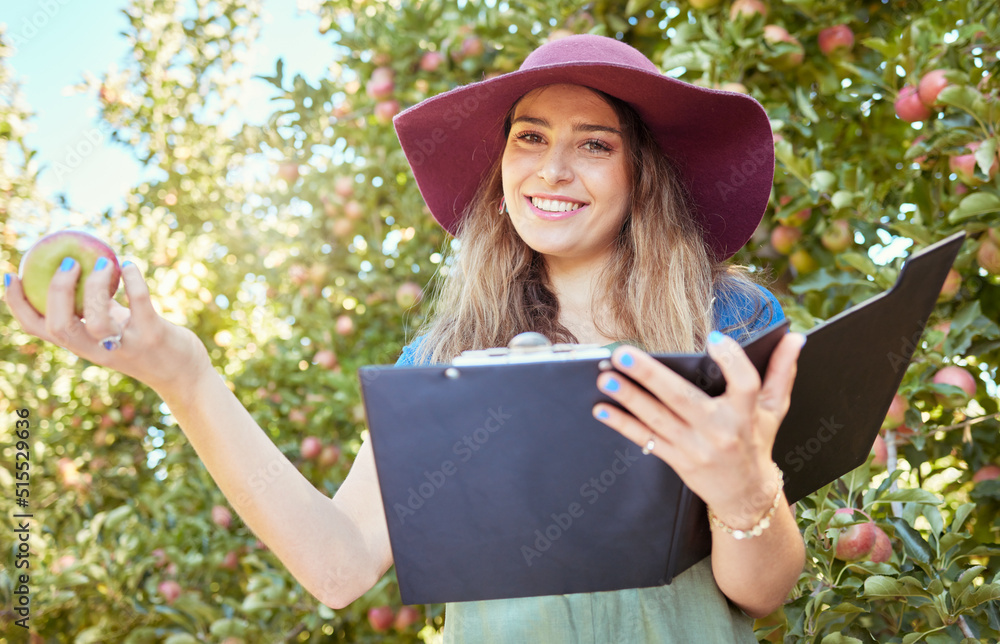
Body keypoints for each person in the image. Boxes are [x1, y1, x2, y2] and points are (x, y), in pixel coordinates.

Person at [4, 34, 805, 642]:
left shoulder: (727, 328)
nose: (552, 169)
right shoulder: (449, 359)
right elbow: (339, 563)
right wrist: (183, 374)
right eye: (529, 138)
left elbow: (763, 591)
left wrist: (742, 492)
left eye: (594, 143)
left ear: (641, 173)